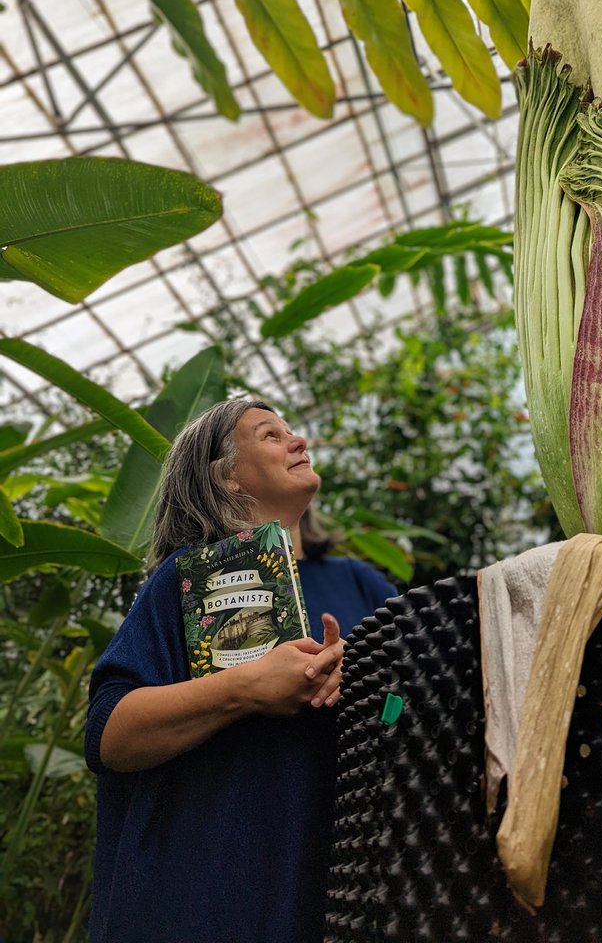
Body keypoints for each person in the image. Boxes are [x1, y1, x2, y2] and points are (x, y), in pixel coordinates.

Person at [85, 399, 397, 943]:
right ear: (226, 475)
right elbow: (108, 734)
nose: (298, 441)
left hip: (334, 895)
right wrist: (245, 689)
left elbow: (406, 713)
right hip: (197, 898)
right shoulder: (183, 583)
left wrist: (369, 686)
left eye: (293, 431)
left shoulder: (361, 586)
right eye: (270, 435)